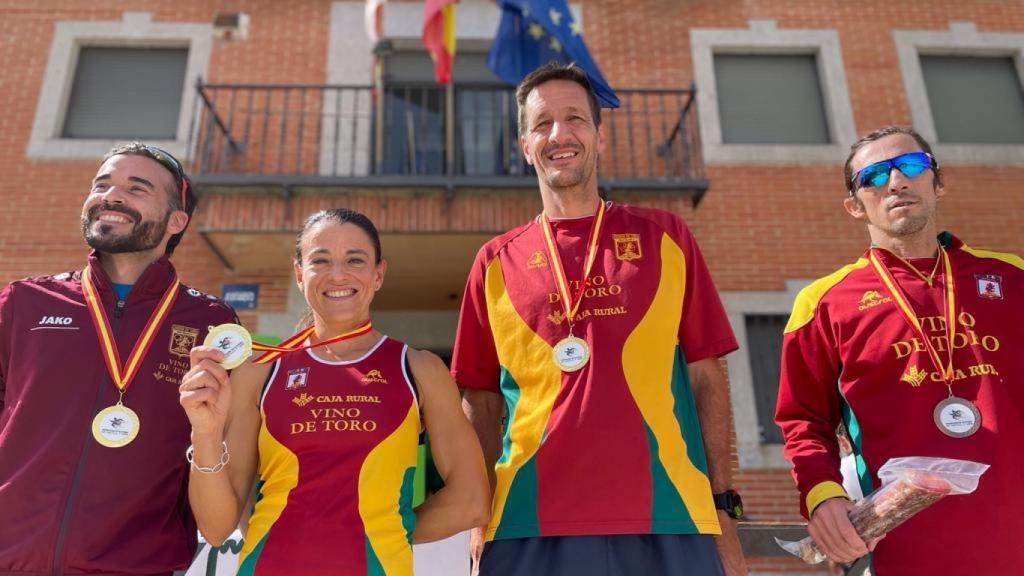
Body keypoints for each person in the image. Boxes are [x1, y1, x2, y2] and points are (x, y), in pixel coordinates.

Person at [451, 62, 747, 576]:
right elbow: (479, 399)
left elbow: (707, 379)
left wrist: (723, 507)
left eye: (575, 120)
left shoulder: (666, 236)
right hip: (526, 522)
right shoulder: (494, 262)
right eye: (542, 124)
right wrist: (478, 514)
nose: (559, 135)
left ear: (599, 136)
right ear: (525, 146)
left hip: (670, 516)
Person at [179, 208, 490, 575]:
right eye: (320, 261)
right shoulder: (260, 371)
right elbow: (216, 529)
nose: (337, 274)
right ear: (299, 274)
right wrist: (206, 431)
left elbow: (471, 501)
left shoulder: (419, 369)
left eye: (354, 260)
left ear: (378, 275)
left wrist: (387, 528)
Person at [775, 125, 1024, 574]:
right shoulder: (823, 303)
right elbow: (803, 422)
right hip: (904, 551)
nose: (895, 181)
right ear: (854, 206)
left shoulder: (1014, 278)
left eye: (911, 166)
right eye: (873, 175)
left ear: (938, 181)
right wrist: (822, 496)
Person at [0, 143, 237, 575]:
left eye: (136, 188)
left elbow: (215, 451)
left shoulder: (211, 323)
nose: (111, 196)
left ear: (176, 220)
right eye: (102, 184)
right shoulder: (23, 303)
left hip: (136, 566)